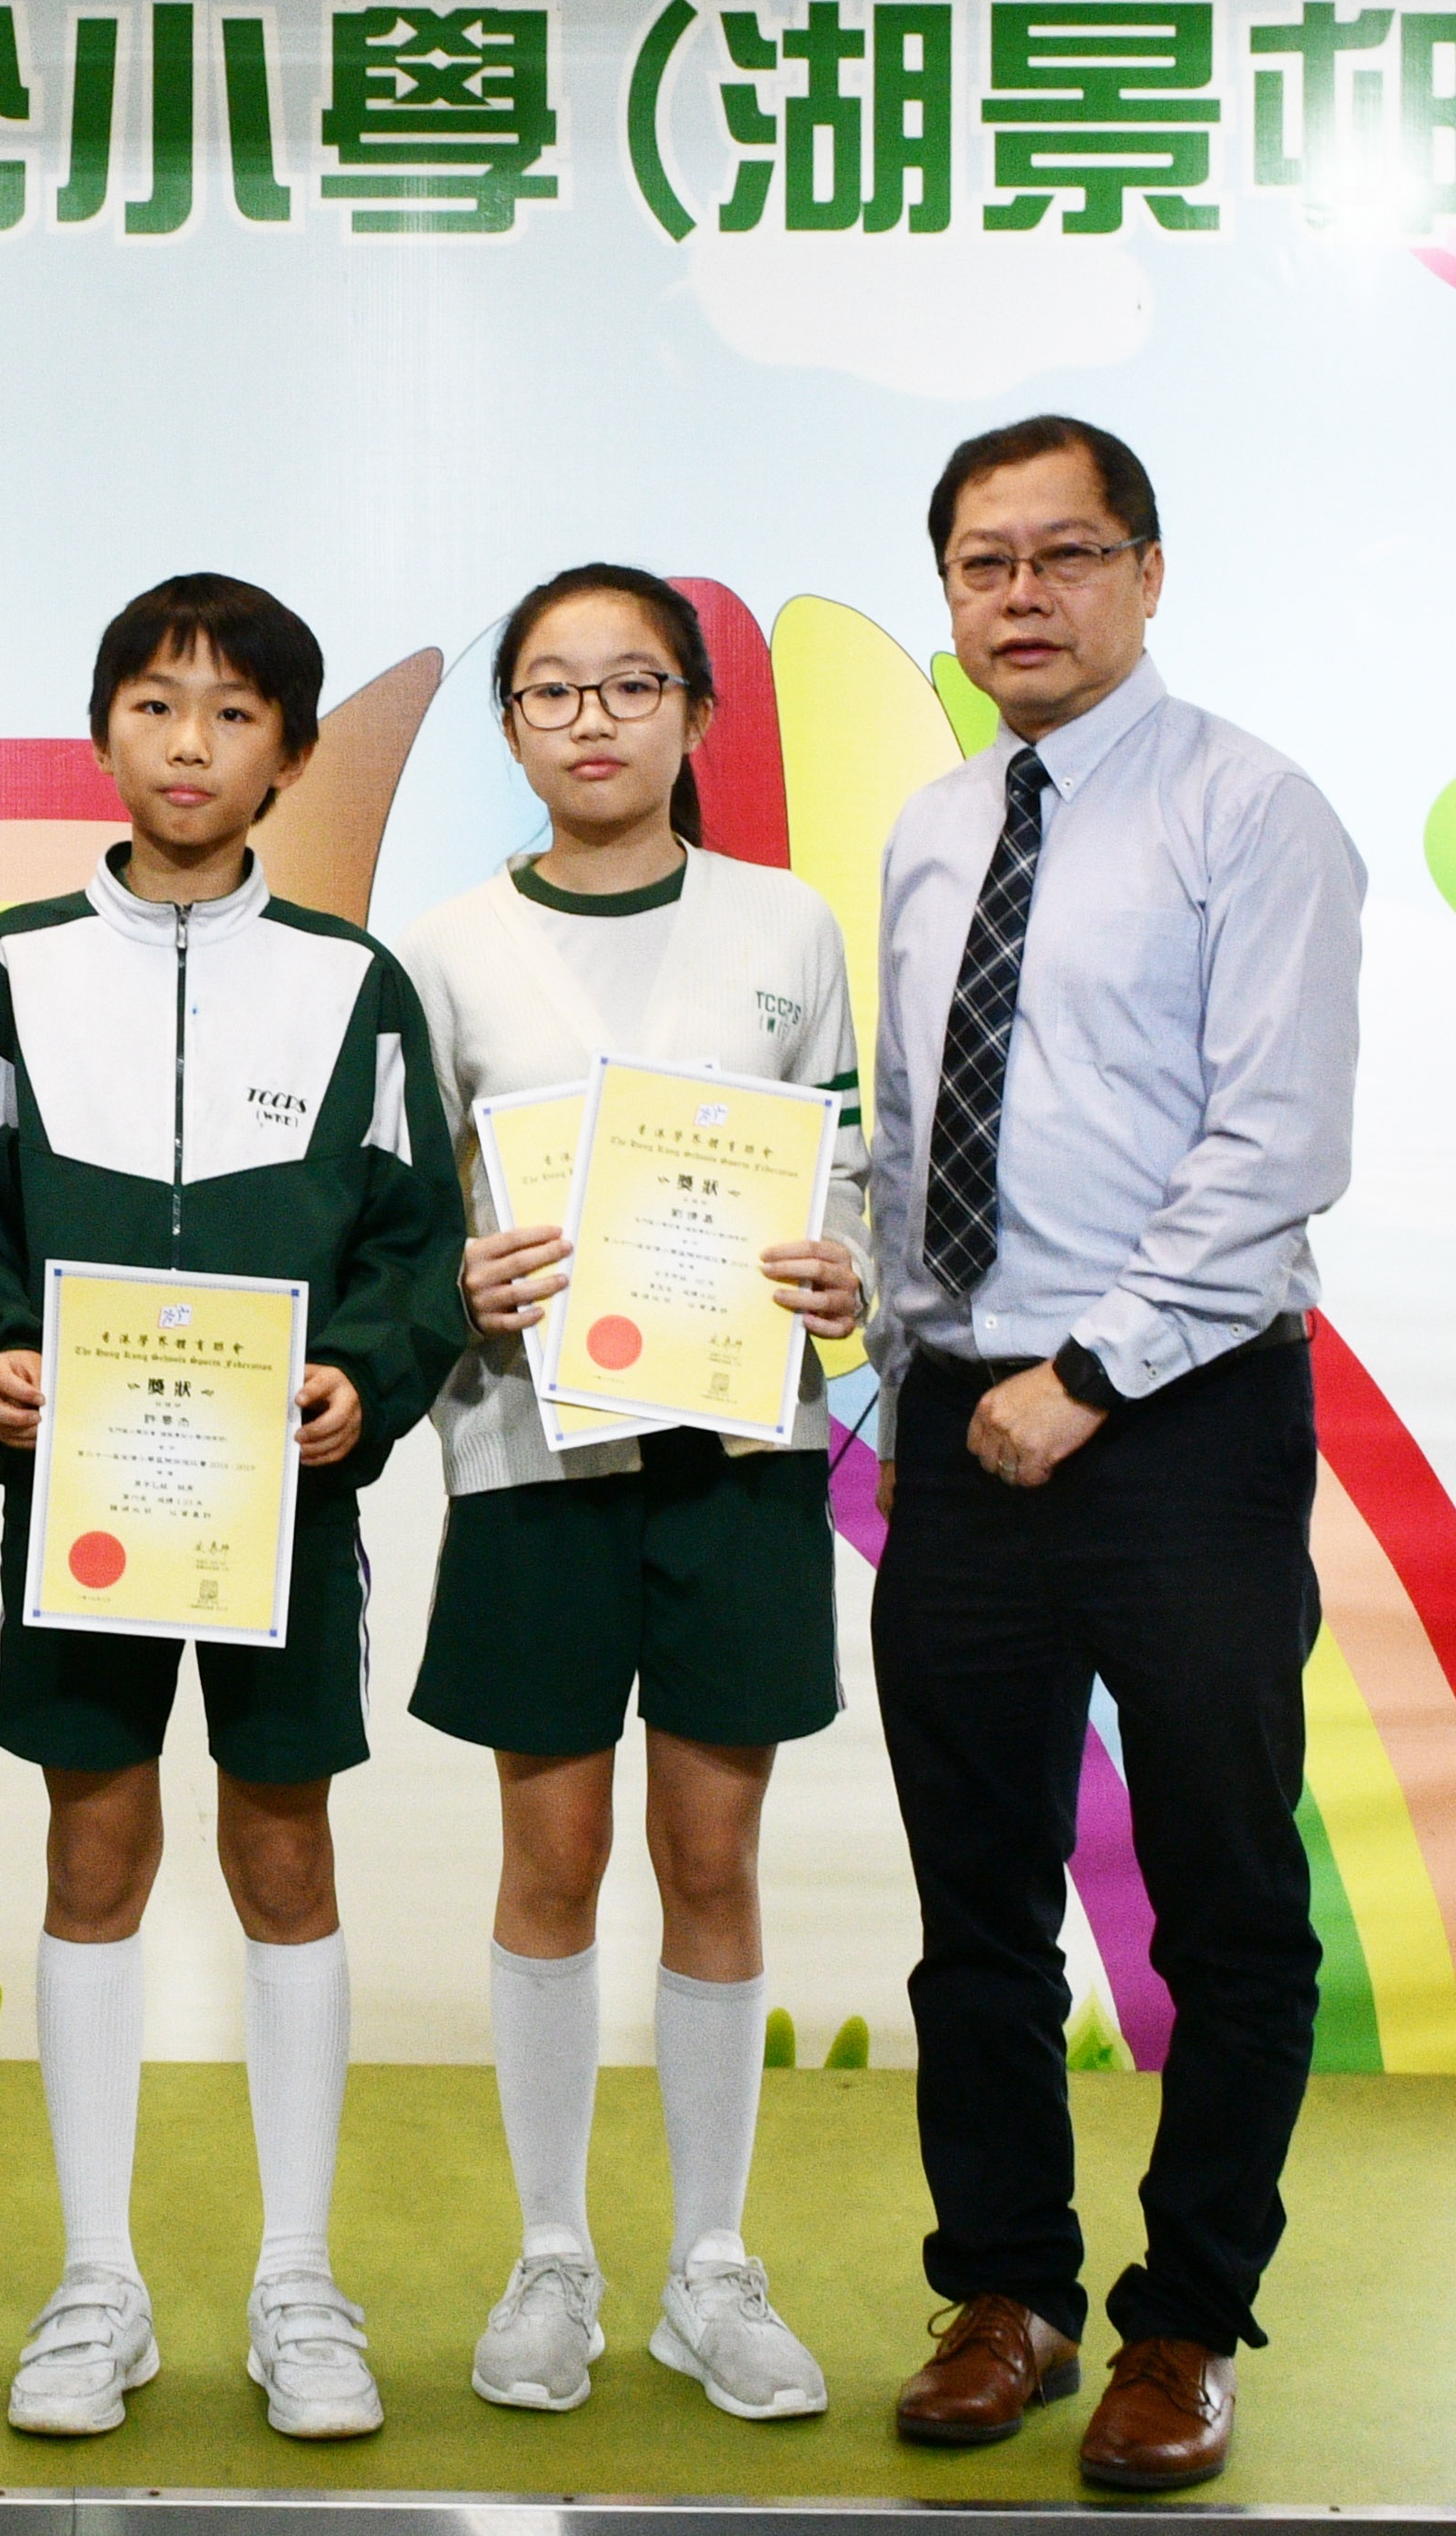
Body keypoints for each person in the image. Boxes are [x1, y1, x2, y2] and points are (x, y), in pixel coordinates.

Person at [0, 573, 470, 2443]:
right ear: (103, 733)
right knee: (94, 1851)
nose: (191, 742)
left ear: (288, 753)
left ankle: (298, 2277)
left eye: (233, 712)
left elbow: (419, 1243)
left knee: (283, 1853)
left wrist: (363, 1376)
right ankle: (97, 2279)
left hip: (281, 1500)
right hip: (84, 1495)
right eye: (155, 703)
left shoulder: (353, 985)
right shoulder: (14, 966)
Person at [863, 417, 1363, 2493]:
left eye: (1065, 554)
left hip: (1180, 1425)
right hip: (961, 1420)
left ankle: (1185, 2320)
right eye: (984, 561)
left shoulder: (1255, 810)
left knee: (1223, 1896)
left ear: (1148, 573)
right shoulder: (931, 826)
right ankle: (1008, 2292)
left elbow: (1277, 1144)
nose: (1023, 595)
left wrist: (1090, 1369)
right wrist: (886, 1341)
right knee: (975, 1903)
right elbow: (914, 1128)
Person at [390, 564, 867, 2423]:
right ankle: (552, 2254)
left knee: (715, 1859)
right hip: (534, 1454)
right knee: (554, 1859)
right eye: (553, 689)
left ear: (694, 713)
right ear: (512, 724)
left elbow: (840, 1172)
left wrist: (839, 1269)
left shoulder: (786, 922)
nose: (593, 719)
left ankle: (711, 2264)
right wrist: (459, 1282)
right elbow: (407, 1216)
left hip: (743, 1455)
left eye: (632, 684)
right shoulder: (444, 947)